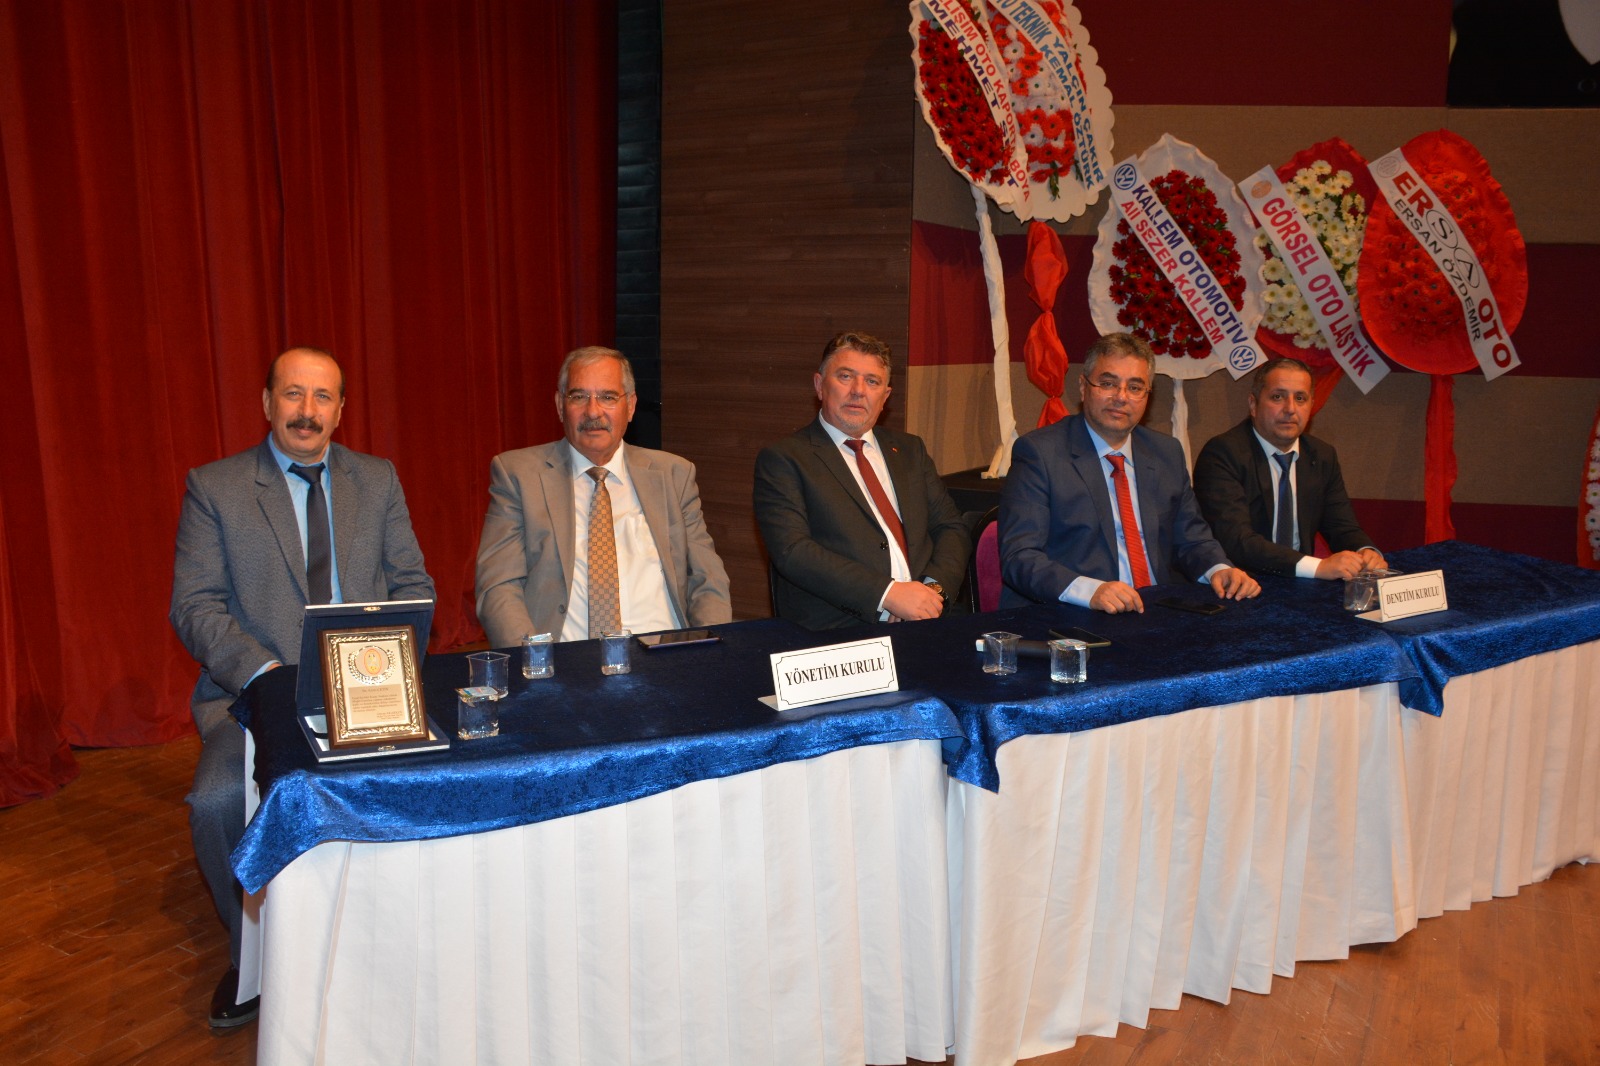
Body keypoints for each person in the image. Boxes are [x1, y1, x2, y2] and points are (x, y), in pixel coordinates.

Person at [170, 347, 434, 1028]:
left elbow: (413, 586)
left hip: (368, 688)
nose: (307, 411)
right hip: (255, 693)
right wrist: (269, 674)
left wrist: (382, 665)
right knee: (217, 801)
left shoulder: (377, 479)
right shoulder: (216, 487)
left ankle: (391, 943)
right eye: (293, 394)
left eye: (322, 398)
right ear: (267, 403)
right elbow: (196, 607)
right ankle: (251, 961)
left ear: (341, 410)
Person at [475, 346, 730, 647]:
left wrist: (705, 653)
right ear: (560, 406)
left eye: (608, 397)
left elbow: (708, 581)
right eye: (579, 396)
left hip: (665, 655)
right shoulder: (519, 475)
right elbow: (498, 587)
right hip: (565, 659)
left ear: (630, 406)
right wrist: (537, 662)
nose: (593, 412)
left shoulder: (674, 474)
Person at [1000, 332, 1260, 613]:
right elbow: (1020, 556)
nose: (1121, 397)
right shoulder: (1040, 453)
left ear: (1147, 396)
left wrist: (1219, 569)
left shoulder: (1166, 453)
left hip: (1158, 609)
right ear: (1083, 387)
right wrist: (1090, 591)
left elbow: (1192, 539)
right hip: (1074, 614)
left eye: (1135, 387)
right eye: (1108, 383)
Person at [753, 331, 971, 630]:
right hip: (841, 630)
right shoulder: (785, 459)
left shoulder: (910, 450)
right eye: (845, 376)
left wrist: (931, 594)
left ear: (885, 396)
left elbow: (951, 528)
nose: (858, 391)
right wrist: (887, 595)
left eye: (872, 381)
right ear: (819, 385)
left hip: (929, 619)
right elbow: (793, 551)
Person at [1193, 356, 1385, 580]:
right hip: (1241, 583)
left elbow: (1341, 525)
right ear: (1253, 404)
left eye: (1300, 398)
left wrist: (1365, 551)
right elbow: (1237, 541)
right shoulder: (1223, 453)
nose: (1290, 409)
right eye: (1278, 397)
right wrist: (1316, 567)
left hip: (1302, 584)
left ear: (1311, 405)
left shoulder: (1322, 455)